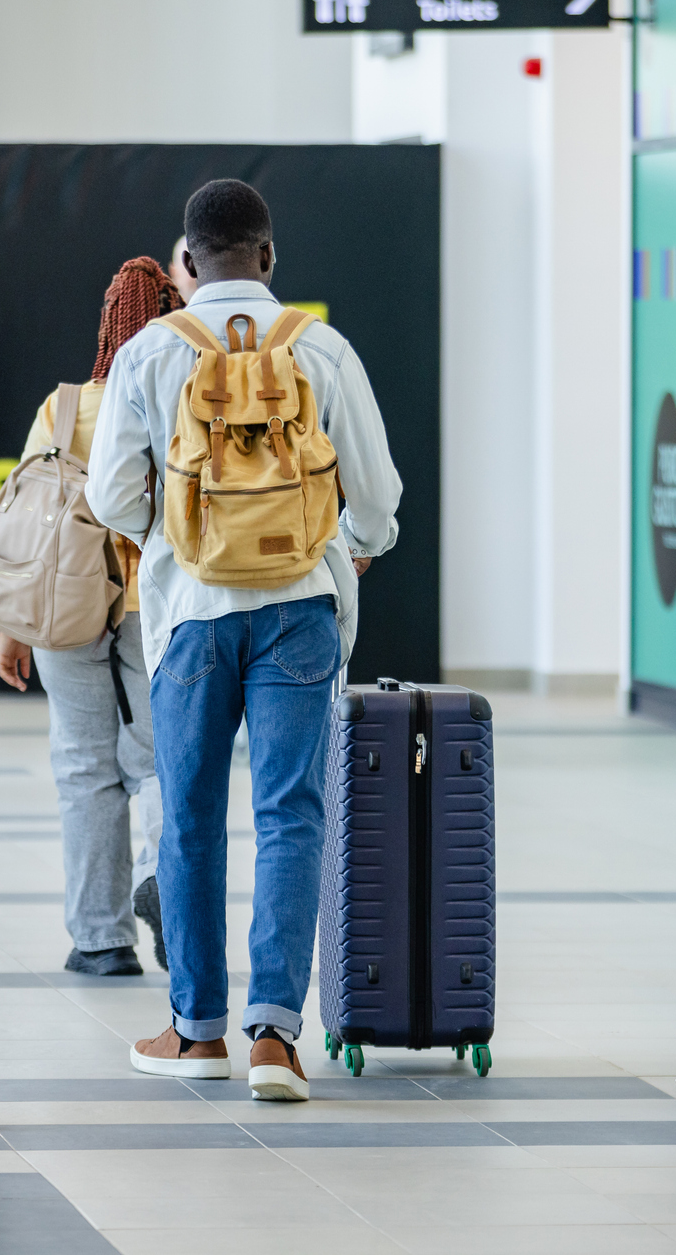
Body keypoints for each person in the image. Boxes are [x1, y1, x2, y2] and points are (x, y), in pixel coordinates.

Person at [87, 179, 402, 1101]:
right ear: (267, 257)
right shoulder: (322, 347)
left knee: (187, 818)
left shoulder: (151, 350)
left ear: (186, 263)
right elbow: (377, 494)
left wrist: (177, 538)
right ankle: (274, 1038)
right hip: (300, 608)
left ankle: (196, 1033)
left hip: (189, 618)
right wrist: (353, 548)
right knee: (290, 816)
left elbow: (108, 496)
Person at [0, 256, 182, 976]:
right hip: (157, 604)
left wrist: (15, 624)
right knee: (166, 756)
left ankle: (101, 941)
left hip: (67, 604)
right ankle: (162, 879)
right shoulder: (186, 389)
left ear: (106, 323)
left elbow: (29, 523)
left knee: (83, 764)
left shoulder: (64, 406)